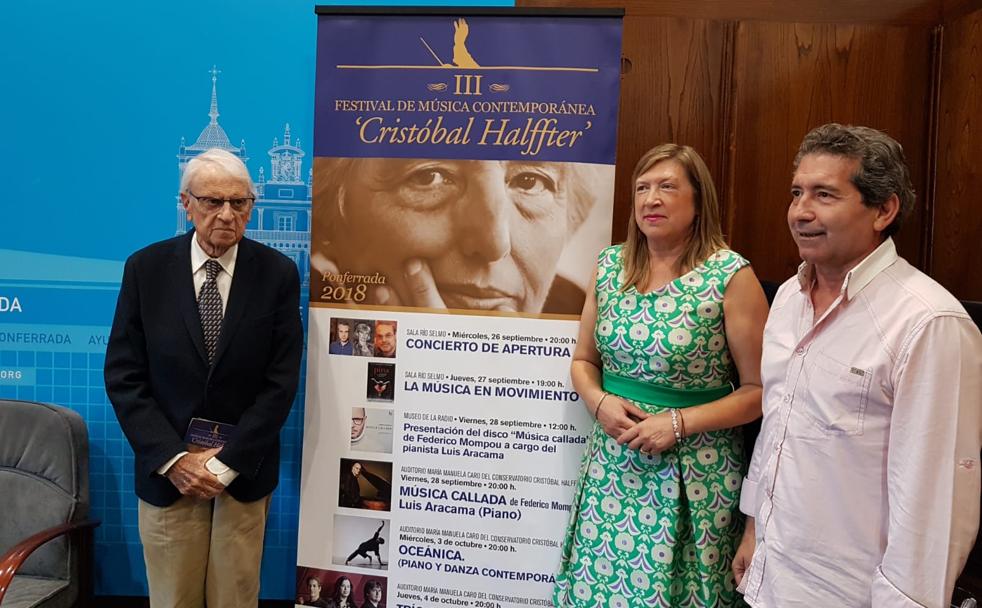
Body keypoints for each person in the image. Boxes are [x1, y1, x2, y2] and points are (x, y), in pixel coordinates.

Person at [732, 123, 982, 607]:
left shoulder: (929, 322)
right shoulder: (787, 298)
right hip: (772, 577)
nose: (800, 212)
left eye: (825, 194)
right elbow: (777, 430)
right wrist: (754, 528)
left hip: (851, 593)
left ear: (884, 210)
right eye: (797, 192)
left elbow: (935, 503)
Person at [554, 144, 768, 607]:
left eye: (668, 187)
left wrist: (678, 424)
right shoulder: (611, 266)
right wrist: (598, 402)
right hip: (613, 465)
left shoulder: (731, 276)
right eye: (642, 189)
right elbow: (583, 361)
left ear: (698, 200)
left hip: (696, 471)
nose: (651, 199)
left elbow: (760, 392)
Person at [104, 148, 303, 607]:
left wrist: (226, 462)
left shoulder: (276, 273)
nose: (227, 215)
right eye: (213, 202)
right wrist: (174, 460)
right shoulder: (145, 270)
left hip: (242, 472)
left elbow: (281, 381)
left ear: (252, 207)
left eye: (240, 203)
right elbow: (123, 375)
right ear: (186, 203)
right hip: (169, 474)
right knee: (173, 598)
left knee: (235, 596)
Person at [310, 158, 610, 315]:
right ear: (328, 218)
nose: (494, 243)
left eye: (529, 181)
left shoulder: (579, 316)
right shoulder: (294, 317)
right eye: (428, 177)